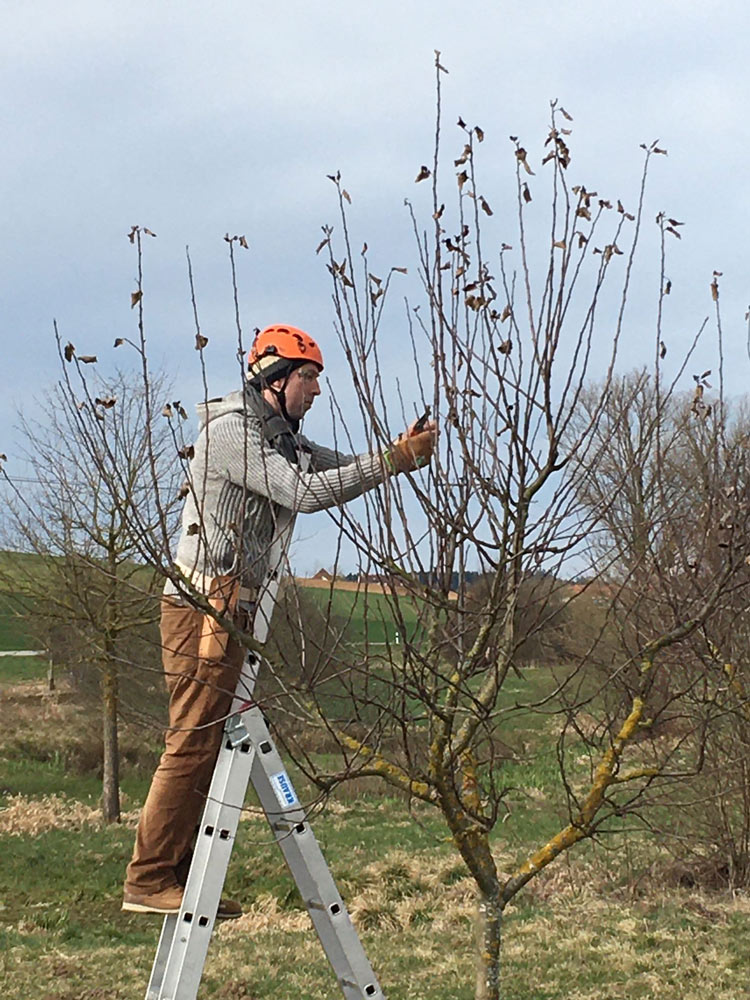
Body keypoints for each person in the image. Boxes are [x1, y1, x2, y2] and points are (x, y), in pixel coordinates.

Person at [122, 324, 436, 917]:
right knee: (190, 740)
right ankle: (147, 878)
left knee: (208, 742)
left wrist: (400, 457)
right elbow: (305, 494)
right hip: (203, 606)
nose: (317, 391)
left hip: (231, 607)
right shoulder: (233, 435)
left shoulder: (280, 438)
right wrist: (394, 460)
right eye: (310, 378)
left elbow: (340, 468)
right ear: (274, 379)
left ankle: (180, 872)